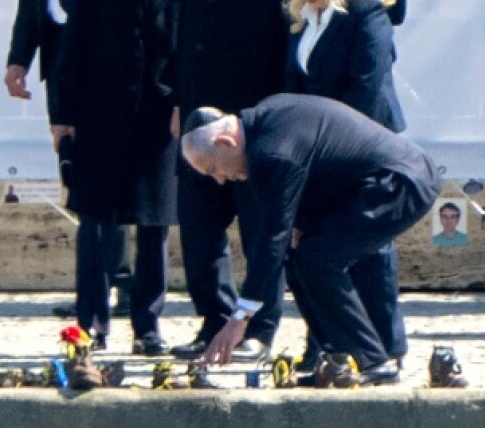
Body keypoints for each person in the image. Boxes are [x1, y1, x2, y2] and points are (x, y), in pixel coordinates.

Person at [180, 95, 440, 384]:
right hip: (365, 185)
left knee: (319, 260)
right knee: (301, 259)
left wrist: (239, 318)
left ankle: (371, 362)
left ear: (226, 143)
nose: (220, 179)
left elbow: (271, 240)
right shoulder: (266, 124)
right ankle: (336, 360)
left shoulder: (271, 151)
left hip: (399, 181)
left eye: (213, 169)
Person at [3, 0, 136, 321]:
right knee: (73, 162)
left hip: (108, 53)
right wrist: (21, 52)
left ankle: (118, 279)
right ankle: (93, 280)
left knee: (112, 165)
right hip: (61, 48)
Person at [51, 0, 187, 355]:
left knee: (154, 225)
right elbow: (75, 42)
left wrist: (182, 106)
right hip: (103, 111)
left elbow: (190, 49)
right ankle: (92, 323)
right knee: (97, 221)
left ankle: (147, 326)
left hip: (158, 118)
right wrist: (63, 115)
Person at [170, 0, 293, 362]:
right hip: (203, 121)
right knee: (199, 228)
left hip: (253, 121)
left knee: (261, 230)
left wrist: (275, 119)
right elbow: (187, 36)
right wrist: (181, 105)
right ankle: (214, 320)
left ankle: (259, 328)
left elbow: (289, 45)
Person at [281, 0, 407, 366]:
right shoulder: (305, 19)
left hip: (365, 143)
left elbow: (367, 87)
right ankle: (328, 343)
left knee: (369, 247)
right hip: (318, 148)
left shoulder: (365, 12)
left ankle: (385, 345)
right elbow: (296, 85)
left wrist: (331, 145)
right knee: (314, 246)